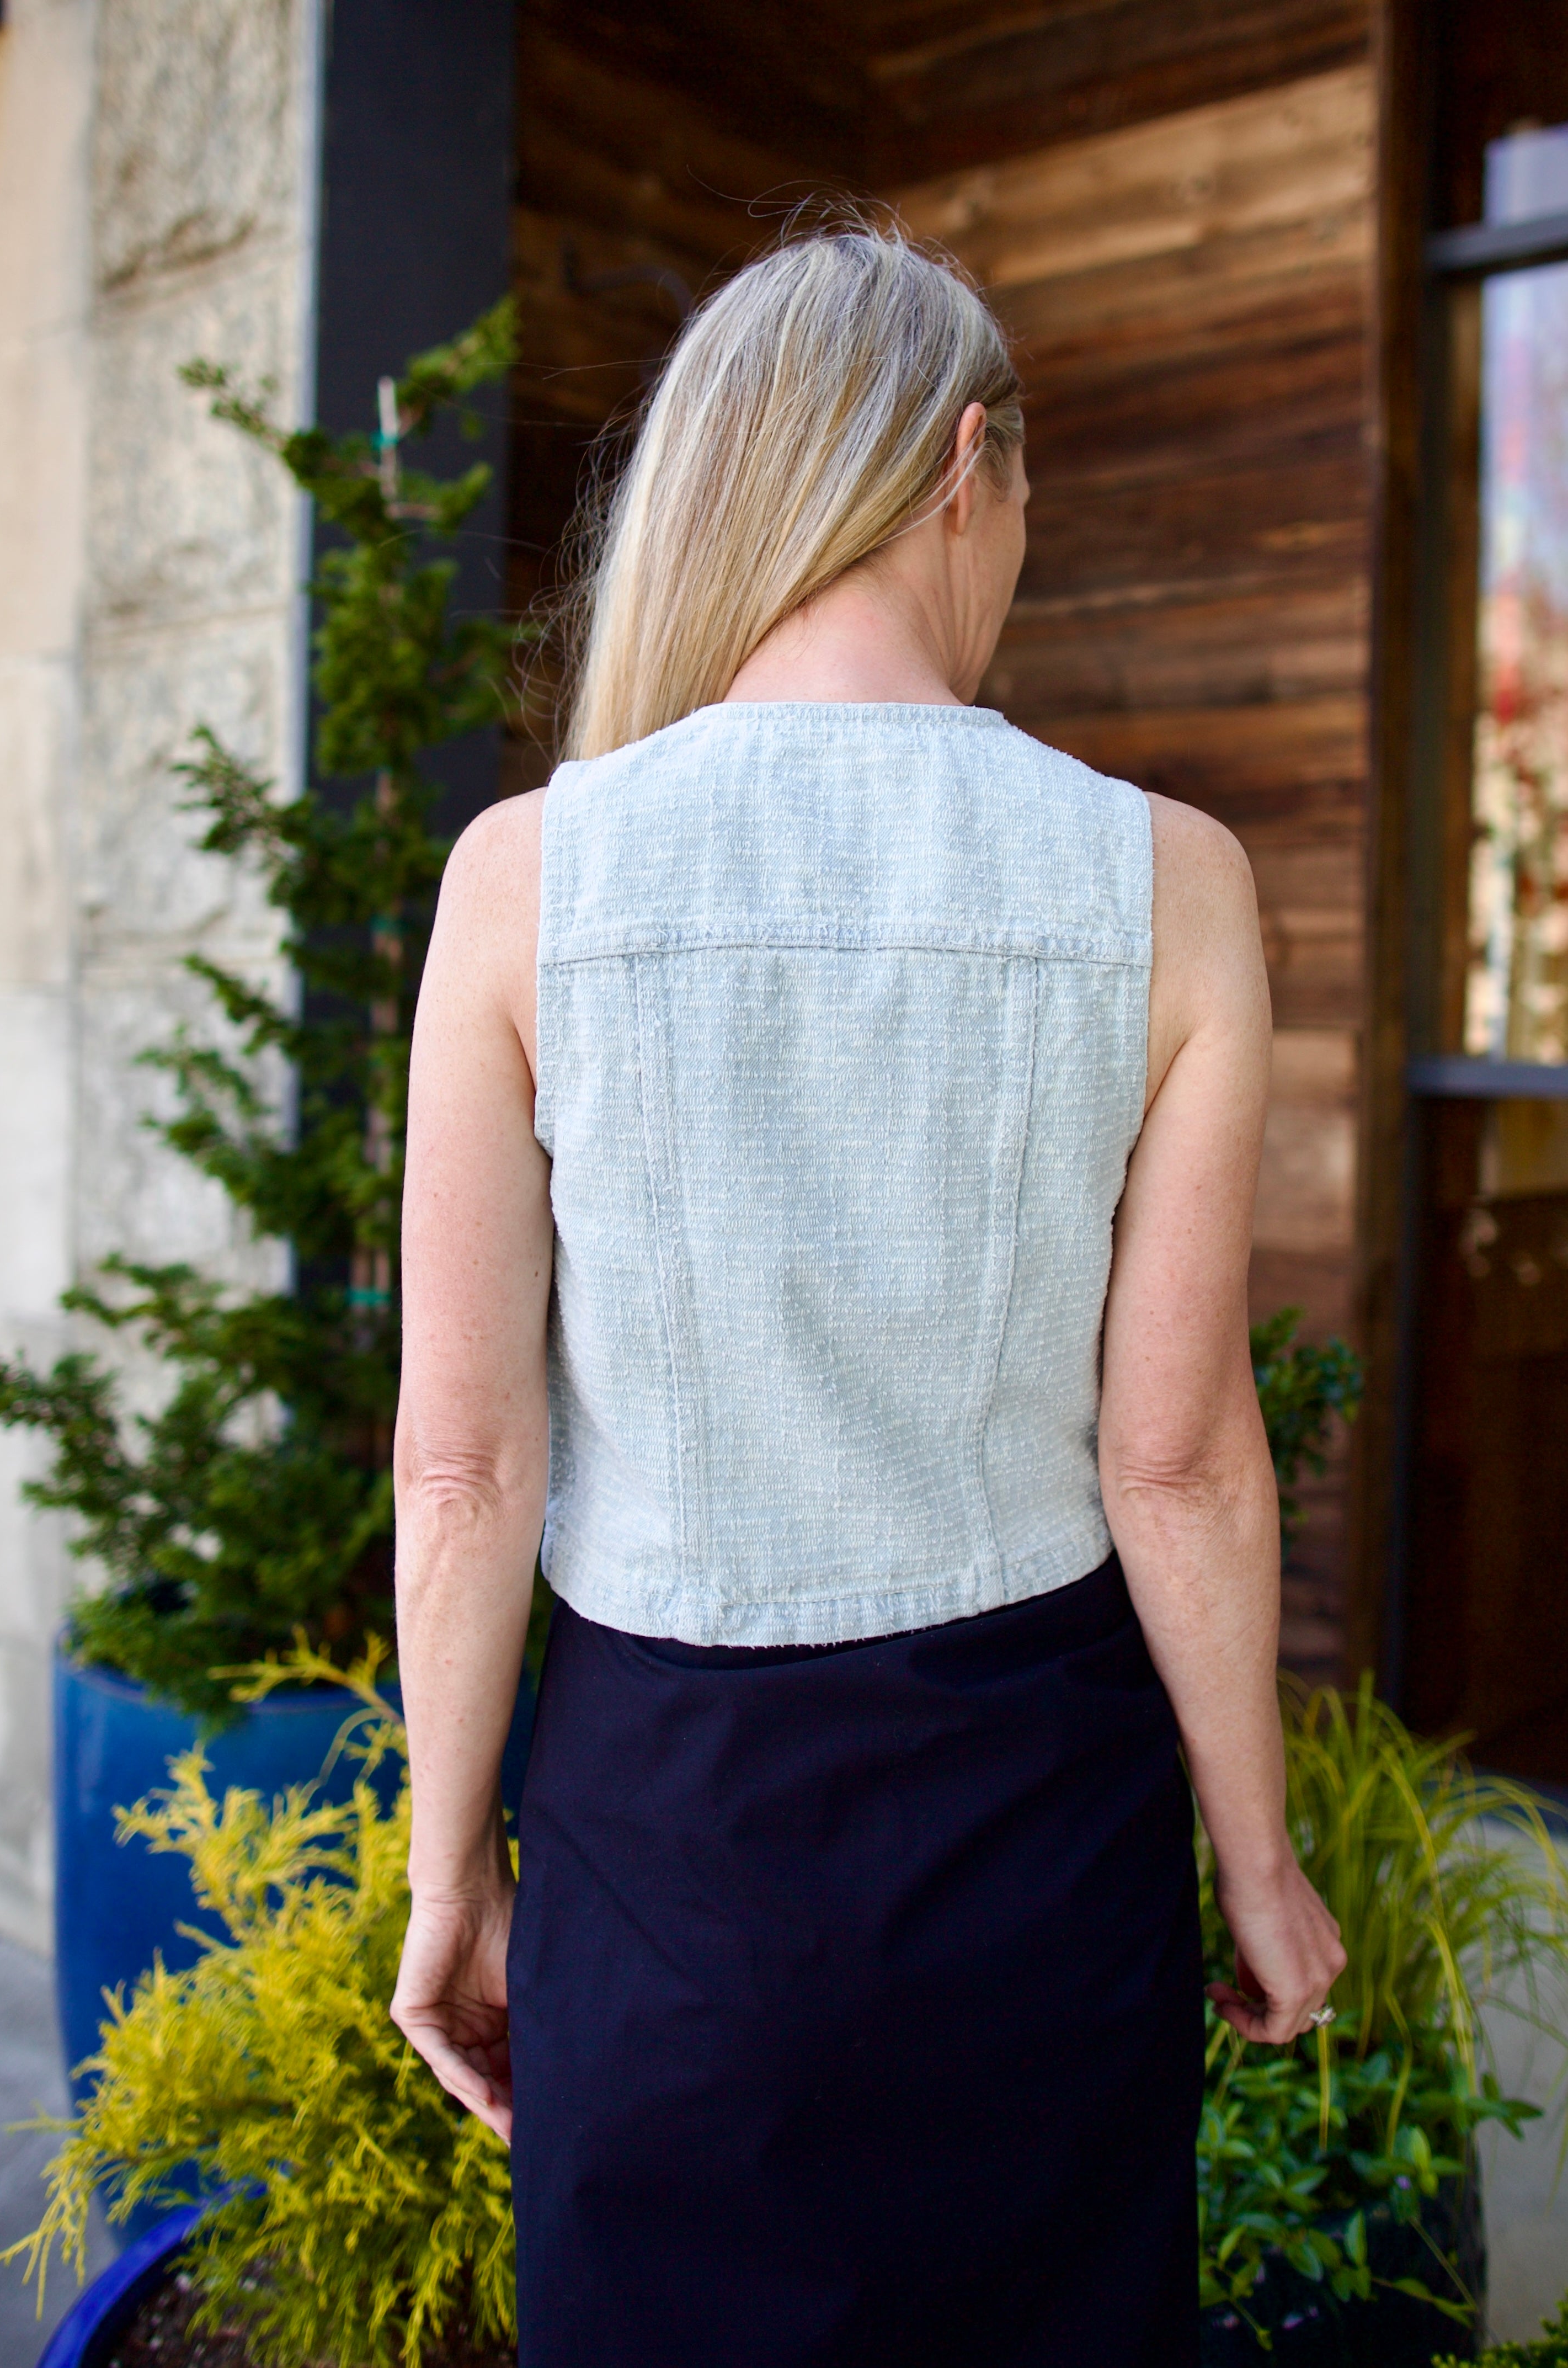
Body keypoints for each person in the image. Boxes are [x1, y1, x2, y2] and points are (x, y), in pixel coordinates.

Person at [387, 225, 1346, 2367]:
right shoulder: (1163, 877)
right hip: (1037, 1814)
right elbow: (1172, 1450)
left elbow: (465, 1455)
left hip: (667, 1823)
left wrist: (450, 1875)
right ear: (960, 466)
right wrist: (1255, 1856)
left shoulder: (526, 877)